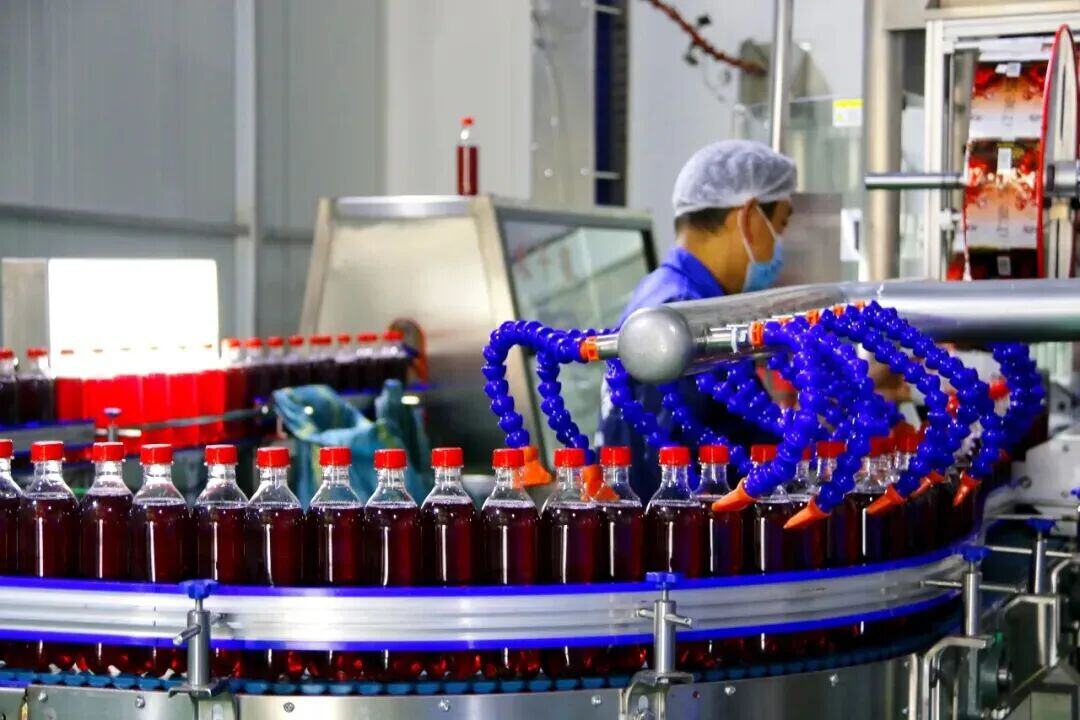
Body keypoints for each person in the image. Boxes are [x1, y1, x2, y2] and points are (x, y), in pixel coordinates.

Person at [596, 139, 796, 498]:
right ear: (749, 218)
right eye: (779, 227)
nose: (780, 247)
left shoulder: (667, 294)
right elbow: (680, 469)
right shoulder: (685, 322)